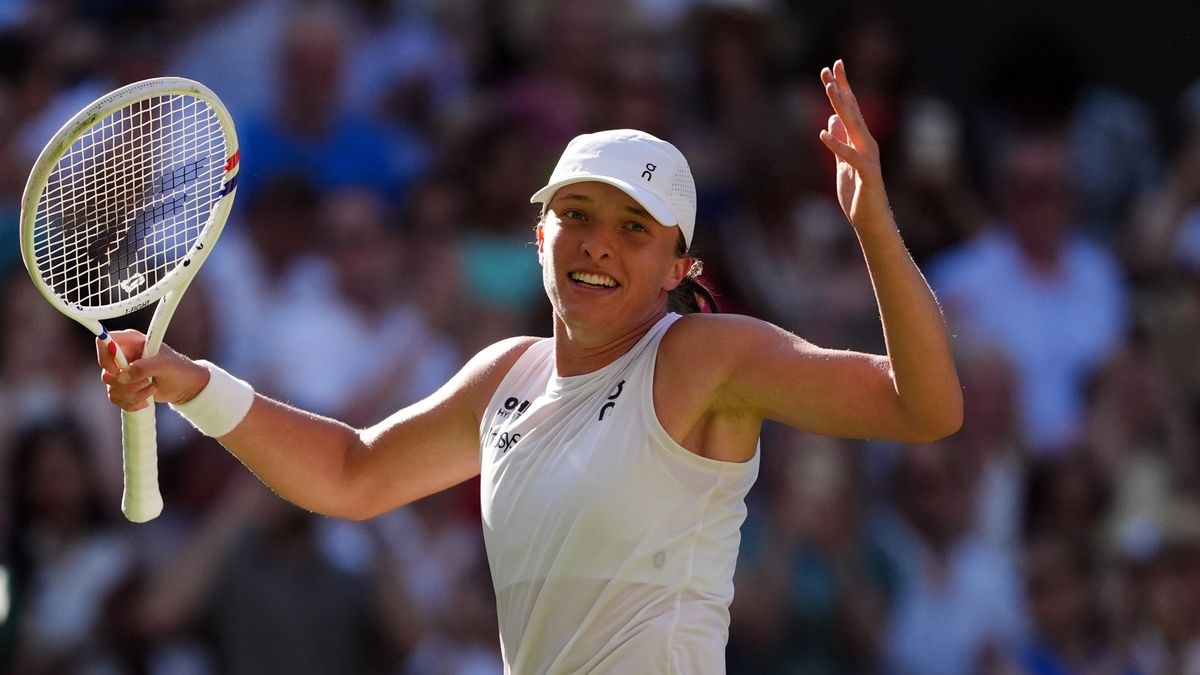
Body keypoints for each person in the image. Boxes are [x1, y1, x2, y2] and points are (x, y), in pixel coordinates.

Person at [98, 61, 961, 673]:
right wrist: (192, 383)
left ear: (679, 268)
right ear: (539, 233)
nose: (596, 242)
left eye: (634, 228)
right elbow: (351, 473)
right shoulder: (506, 373)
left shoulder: (711, 354)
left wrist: (875, 228)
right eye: (577, 213)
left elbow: (925, 409)